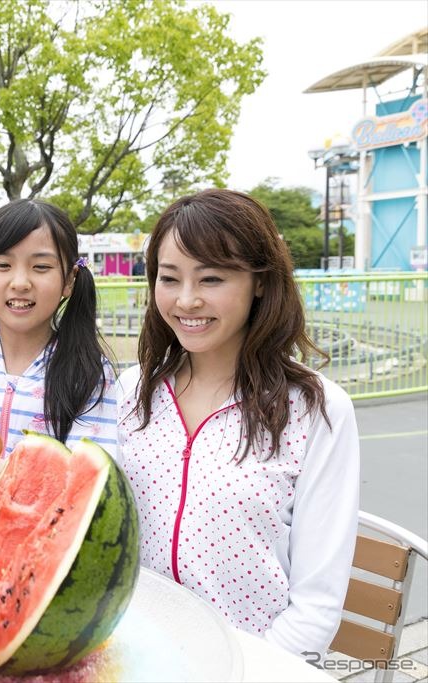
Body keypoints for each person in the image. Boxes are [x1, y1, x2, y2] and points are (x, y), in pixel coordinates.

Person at [117, 188, 359, 656]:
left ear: (261, 282)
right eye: (169, 278)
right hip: (134, 654)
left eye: (211, 279)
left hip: (253, 662)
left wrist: (246, 669)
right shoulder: (130, 393)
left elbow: (316, 606)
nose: (186, 300)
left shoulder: (318, 410)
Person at [0, 198, 118, 519]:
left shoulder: (88, 373)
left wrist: (13, 482)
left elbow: (86, 479)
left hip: (40, 549)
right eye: (3, 265)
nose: (20, 282)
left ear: (70, 280)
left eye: (41, 267)